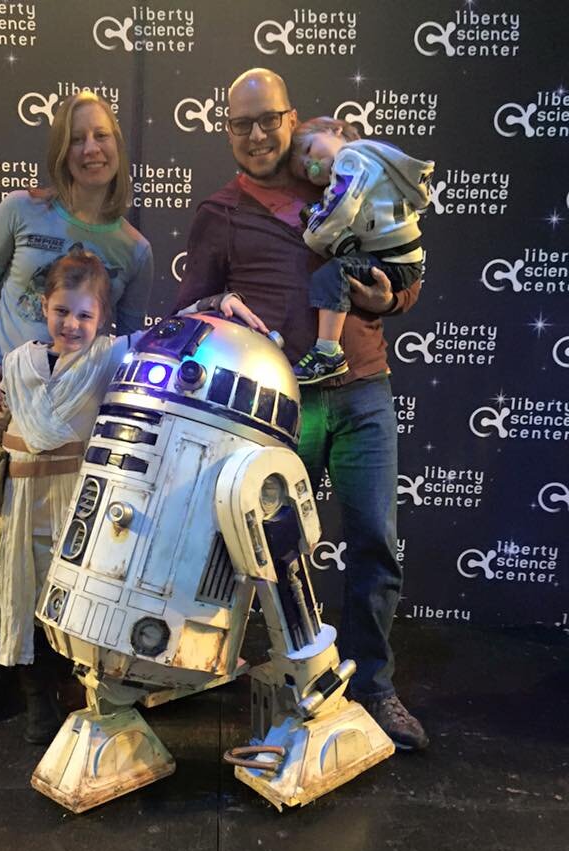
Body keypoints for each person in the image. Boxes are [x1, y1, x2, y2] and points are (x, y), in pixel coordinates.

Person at [174, 68, 428, 751]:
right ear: (226, 130)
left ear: (293, 118)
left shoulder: (340, 176)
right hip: (280, 407)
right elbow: (187, 311)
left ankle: (374, 688)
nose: (256, 136)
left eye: (268, 120)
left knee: (375, 541)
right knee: (267, 553)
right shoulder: (220, 212)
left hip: (364, 391)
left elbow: (404, 268)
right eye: (241, 124)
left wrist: (387, 300)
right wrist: (215, 311)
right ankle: (266, 672)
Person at [0, 91, 153, 704]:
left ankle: (46, 674)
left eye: (102, 136)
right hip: (8, 395)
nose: (91, 148)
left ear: (118, 148)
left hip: (75, 417)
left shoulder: (133, 249)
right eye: (78, 137)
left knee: (65, 541)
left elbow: (126, 342)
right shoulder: (19, 211)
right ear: (61, 148)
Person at [0, 252, 131, 743]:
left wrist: (220, 301)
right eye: (62, 311)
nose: (72, 324)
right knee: (2, 590)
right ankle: (1, 682)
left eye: (84, 315)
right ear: (44, 306)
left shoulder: (107, 361)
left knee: (50, 598)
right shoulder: (18, 363)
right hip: (13, 501)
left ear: (102, 319)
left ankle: (43, 694)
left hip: (69, 502)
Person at [290, 117, 433, 384]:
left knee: (330, 275)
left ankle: (328, 352)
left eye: (309, 151)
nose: (312, 165)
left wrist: (314, 232)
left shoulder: (353, 158)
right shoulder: (374, 160)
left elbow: (341, 208)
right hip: (395, 257)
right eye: (306, 169)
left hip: (391, 260)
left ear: (335, 129)